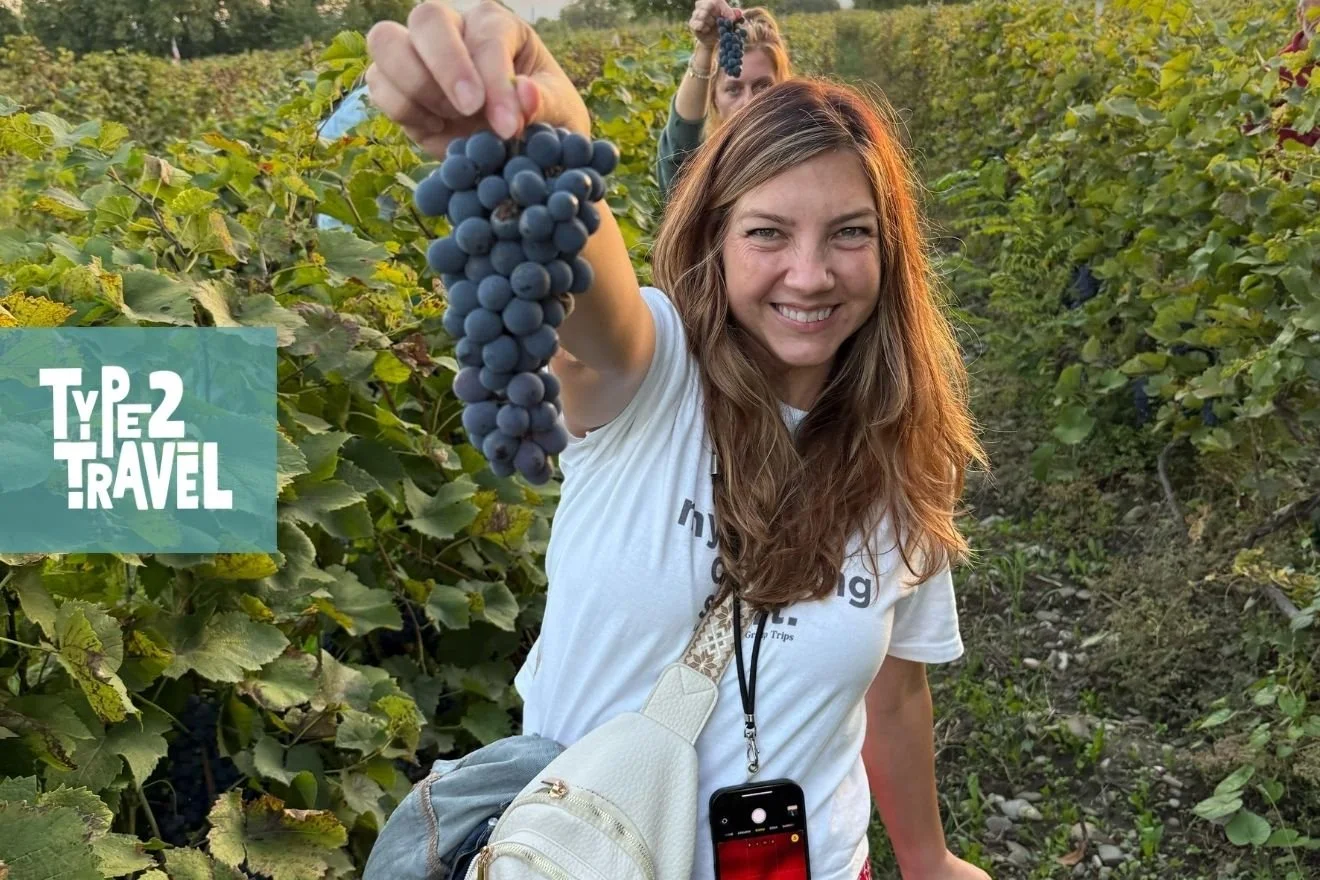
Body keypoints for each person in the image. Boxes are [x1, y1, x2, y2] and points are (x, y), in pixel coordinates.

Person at [363, 2, 990, 878]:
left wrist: (926, 860)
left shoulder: (905, 458)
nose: (810, 275)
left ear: (891, 253)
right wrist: (542, 138)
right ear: (717, 241)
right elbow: (599, 301)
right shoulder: (650, 378)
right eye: (768, 233)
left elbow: (895, 689)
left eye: (849, 233)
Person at [655, 0, 791, 199]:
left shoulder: (802, 154)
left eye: (763, 86)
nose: (749, 102)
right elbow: (679, 151)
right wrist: (705, 47)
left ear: (782, 86)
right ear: (714, 99)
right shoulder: (708, 173)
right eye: (733, 90)